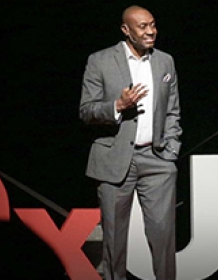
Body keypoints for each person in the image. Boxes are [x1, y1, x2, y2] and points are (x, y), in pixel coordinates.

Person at [79, 5, 182, 280]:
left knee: (163, 238)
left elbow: (173, 109)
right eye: (143, 27)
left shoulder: (165, 61)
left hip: (157, 160)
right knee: (113, 241)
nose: (151, 31)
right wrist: (117, 105)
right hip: (114, 161)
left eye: (153, 24)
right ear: (126, 30)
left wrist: (170, 150)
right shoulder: (99, 60)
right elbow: (86, 110)